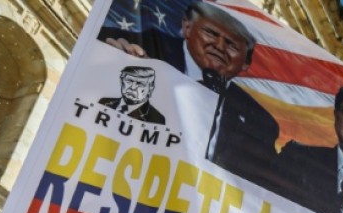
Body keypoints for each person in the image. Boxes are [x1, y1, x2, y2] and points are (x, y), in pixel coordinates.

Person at [98, 2, 279, 185]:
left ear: (246, 63)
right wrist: (113, 61)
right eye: (211, 33)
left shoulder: (261, 124)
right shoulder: (138, 46)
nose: (219, 46)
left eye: (232, 45)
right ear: (187, 28)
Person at [99, 66, 166, 124]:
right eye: (129, 81)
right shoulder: (103, 102)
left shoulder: (156, 119)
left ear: (150, 89)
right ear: (121, 81)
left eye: (140, 84)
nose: (133, 87)